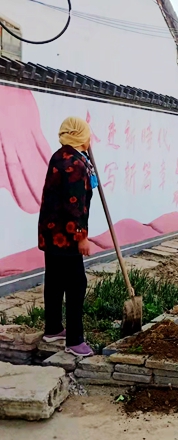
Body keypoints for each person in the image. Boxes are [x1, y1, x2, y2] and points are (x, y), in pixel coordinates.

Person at [38, 117, 97, 357]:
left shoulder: (60, 156)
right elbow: (74, 205)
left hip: (50, 232)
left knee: (53, 280)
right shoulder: (76, 164)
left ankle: (52, 328)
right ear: (82, 135)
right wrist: (81, 237)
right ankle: (74, 340)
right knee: (76, 284)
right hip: (66, 236)